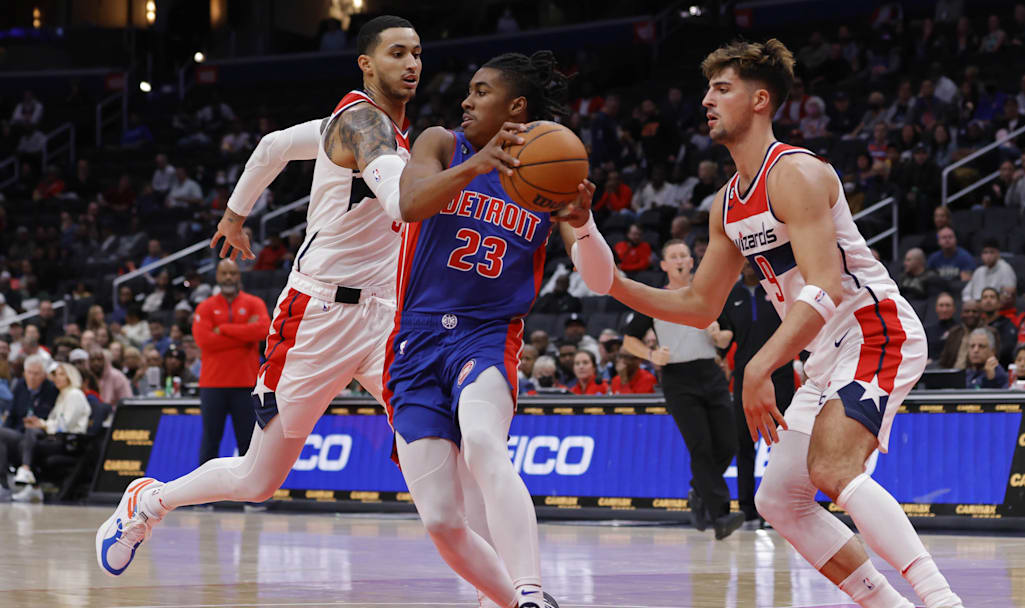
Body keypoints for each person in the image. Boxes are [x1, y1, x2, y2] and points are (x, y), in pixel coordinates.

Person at [579, 39, 963, 608]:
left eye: (722, 88)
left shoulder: (797, 172)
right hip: (826, 353)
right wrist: (614, 282)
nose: (706, 99)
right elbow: (699, 305)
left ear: (761, 100)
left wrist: (759, 365)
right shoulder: (725, 204)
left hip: (875, 329)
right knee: (780, 499)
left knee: (833, 466)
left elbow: (826, 285)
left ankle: (940, 600)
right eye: (707, 89)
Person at [92, 16, 445, 588]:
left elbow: (274, 145)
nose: (411, 64)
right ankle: (148, 503)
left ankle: (502, 589)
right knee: (257, 482)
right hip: (319, 315)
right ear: (366, 63)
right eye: (397, 53)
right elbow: (402, 204)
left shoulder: (376, 129)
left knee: (440, 440)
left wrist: (235, 214)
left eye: (417, 52)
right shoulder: (360, 123)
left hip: (385, 318)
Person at [387, 49, 588, 608]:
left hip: (488, 333)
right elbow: (409, 203)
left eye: (480, 91)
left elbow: (597, 278)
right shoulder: (441, 143)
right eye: (469, 91)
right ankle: (504, 598)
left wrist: (583, 221)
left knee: (480, 440)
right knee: (443, 521)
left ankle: (532, 593)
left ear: (515, 105)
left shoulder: (550, 167)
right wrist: (477, 164)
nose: (466, 100)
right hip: (416, 339)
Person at [622, 240, 742, 538]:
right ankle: (721, 516)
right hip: (677, 378)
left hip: (710, 371)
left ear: (692, 262)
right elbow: (629, 340)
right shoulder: (655, 299)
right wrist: (651, 356)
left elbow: (728, 335)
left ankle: (698, 490)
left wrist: (720, 336)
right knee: (700, 446)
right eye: (671, 256)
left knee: (728, 443)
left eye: (683, 255)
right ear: (663, 265)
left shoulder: (708, 294)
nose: (678, 260)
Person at [720, 258, 796, 524]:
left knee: (782, 443)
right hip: (745, 379)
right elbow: (723, 338)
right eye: (744, 261)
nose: (749, 265)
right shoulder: (731, 296)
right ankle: (745, 508)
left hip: (780, 375)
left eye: (753, 260)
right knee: (743, 443)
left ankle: (780, 506)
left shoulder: (778, 290)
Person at [190, 259, 269, 464]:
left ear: (239, 276)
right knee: (210, 442)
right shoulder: (205, 307)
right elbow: (205, 341)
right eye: (224, 273)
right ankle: (203, 495)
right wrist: (245, 335)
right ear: (217, 276)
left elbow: (263, 330)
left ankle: (250, 496)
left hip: (245, 384)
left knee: (247, 443)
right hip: (212, 385)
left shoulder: (254, 303)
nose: (228, 278)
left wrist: (224, 329)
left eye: (232, 273)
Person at [10, 362, 91, 502]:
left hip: (71, 442)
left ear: (70, 377)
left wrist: (42, 424)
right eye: (55, 375)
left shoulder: (74, 394)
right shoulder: (62, 396)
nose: (57, 378)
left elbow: (64, 425)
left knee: (28, 443)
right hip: (57, 438)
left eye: (61, 374)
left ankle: (28, 475)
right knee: (26, 439)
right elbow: (53, 421)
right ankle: (30, 482)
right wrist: (40, 423)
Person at [961, 238, 1016, 303]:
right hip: (976, 308)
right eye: (985, 252)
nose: (988, 256)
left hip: (995, 309)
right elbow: (966, 293)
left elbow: (1007, 296)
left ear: (998, 254)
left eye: (991, 252)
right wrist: (971, 303)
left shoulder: (1006, 269)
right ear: (981, 255)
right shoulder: (979, 271)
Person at [979, 287, 1019, 366]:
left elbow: (1006, 351)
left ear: (999, 303)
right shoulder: (977, 325)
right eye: (985, 297)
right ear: (980, 303)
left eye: (992, 297)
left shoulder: (1007, 324)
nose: (988, 300)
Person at [925, 292, 957, 361]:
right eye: (941, 305)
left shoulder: (960, 330)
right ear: (936, 308)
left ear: (954, 308)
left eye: (948, 305)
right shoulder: (928, 331)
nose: (944, 309)